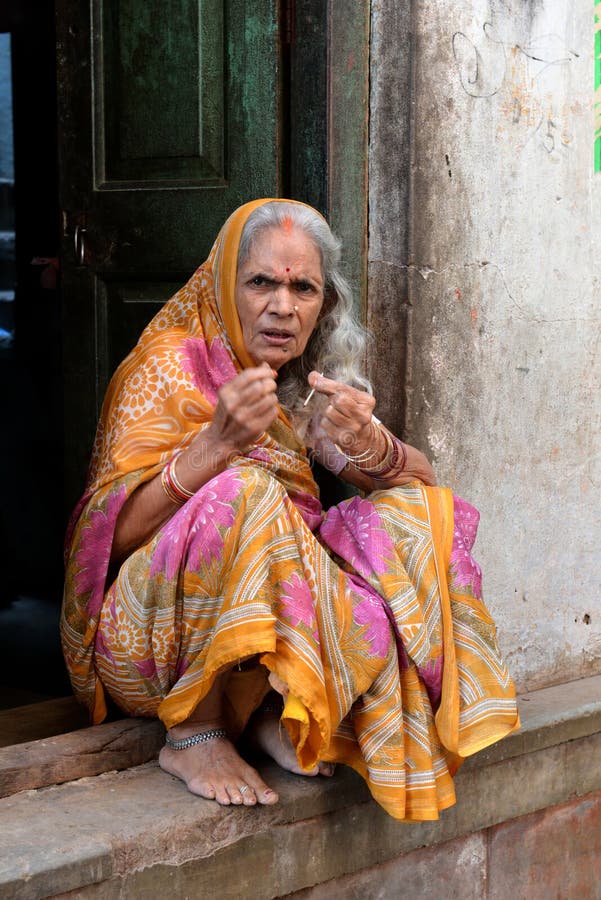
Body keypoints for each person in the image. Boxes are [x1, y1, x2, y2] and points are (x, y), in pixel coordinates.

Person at [61, 198, 519, 821]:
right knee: (242, 490)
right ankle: (195, 733)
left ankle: (270, 713)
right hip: (147, 649)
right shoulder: (166, 367)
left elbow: (422, 483)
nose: (282, 306)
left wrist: (365, 441)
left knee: (414, 514)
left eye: (303, 287)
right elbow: (101, 548)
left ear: (323, 304)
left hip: (261, 644)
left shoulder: (297, 391)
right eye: (261, 283)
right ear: (227, 286)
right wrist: (214, 448)